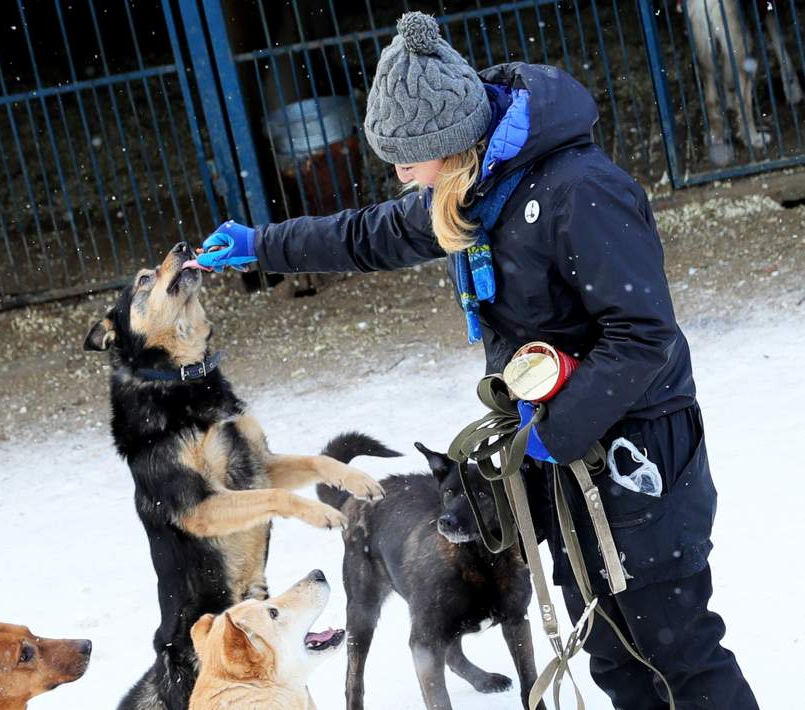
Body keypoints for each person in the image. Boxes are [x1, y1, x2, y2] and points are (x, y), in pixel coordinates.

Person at [194, 12, 757, 710]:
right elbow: (370, 234)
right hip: (561, 461)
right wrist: (263, 244)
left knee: (675, 651)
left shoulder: (576, 190)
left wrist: (556, 431)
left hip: (635, 457)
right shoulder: (471, 191)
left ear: (452, 138)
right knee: (614, 653)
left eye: (407, 153)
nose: (397, 170)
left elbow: (643, 336)